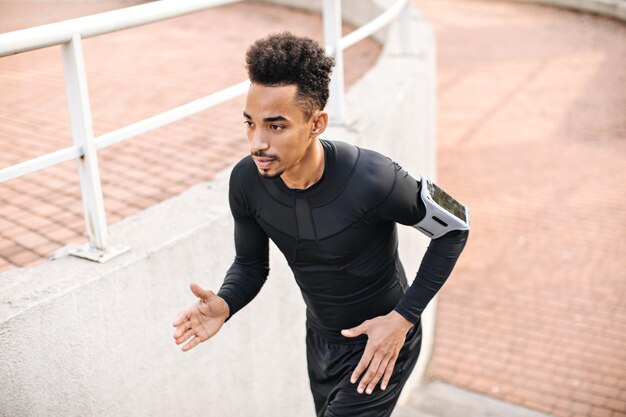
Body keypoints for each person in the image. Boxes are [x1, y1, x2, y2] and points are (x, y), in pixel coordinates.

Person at [172, 31, 469, 417]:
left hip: (383, 343)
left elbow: (454, 226)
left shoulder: (372, 177)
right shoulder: (246, 182)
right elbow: (250, 265)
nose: (256, 143)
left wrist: (403, 321)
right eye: (250, 124)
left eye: (275, 126)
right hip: (321, 343)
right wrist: (226, 303)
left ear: (317, 122)